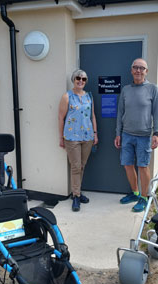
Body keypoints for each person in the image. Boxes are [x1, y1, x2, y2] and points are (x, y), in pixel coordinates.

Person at [114, 58, 158, 212]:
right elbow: (120, 112)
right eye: (135, 67)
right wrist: (118, 133)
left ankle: (144, 197)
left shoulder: (152, 89)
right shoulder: (126, 90)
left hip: (145, 135)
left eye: (142, 68)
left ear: (146, 71)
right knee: (127, 165)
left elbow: (156, 112)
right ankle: (134, 193)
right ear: (131, 70)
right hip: (126, 134)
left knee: (143, 166)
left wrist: (156, 133)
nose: (138, 71)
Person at [58, 69, 98, 212]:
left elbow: (92, 116)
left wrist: (95, 134)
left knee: (82, 165)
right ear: (73, 80)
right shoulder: (67, 97)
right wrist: (61, 137)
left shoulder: (89, 97)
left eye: (84, 79)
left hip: (87, 136)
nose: (81, 81)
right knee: (75, 166)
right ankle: (76, 196)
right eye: (78, 78)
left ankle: (78, 192)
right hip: (71, 137)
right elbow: (61, 118)